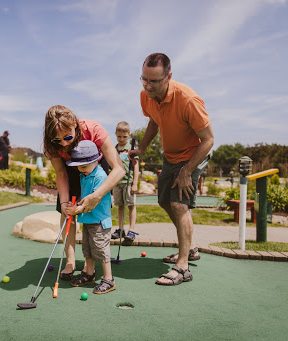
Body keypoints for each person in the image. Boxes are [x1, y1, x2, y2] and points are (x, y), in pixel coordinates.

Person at [130, 53, 214, 286]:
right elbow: (154, 121)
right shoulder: (146, 96)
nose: (147, 85)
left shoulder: (188, 100)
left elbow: (208, 140)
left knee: (179, 204)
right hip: (171, 155)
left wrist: (187, 172)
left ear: (168, 77)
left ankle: (183, 266)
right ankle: (190, 248)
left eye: (154, 81)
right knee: (165, 201)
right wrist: (143, 148)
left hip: (193, 154)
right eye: (144, 79)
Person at [43, 105, 125, 281]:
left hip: (94, 165)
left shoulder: (94, 130)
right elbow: (61, 173)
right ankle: (70, 262)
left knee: (94, 215)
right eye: (58, 141)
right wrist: (65, 204)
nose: (64, 144)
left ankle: (94, 269)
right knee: (67, 214)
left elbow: (119, 169)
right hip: (69, 169)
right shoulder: (50, 143)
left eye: (67, 137)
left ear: (74, 123)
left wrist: (97, 195)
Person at [63, 140, 116, 294]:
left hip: (99, 221)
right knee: (88, 249)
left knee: (100, 249)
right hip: (88, 220)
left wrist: (77, 210)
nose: (80, 169)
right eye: (78, 166)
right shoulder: (85, 174)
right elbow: (85, 196)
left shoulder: (100, 176)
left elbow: (93, 200)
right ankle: (89, 274)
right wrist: (77, 205)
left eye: (84, 166)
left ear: (96, 161)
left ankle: (108, 279)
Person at [111, 121, 140, 242]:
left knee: (131, 206)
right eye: (119, 136)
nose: (121, 139)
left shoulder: (131, 149)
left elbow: (136, 166)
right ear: (115, 135)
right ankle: (120, 229)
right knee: (120, 206)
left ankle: (131, 230)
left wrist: (134, 184)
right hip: (117, 182)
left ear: (129, 135)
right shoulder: (114, 149)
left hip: (128, 182)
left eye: (124, 136)